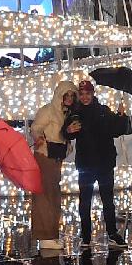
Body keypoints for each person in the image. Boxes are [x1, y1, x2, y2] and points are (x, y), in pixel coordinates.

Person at [67, 80, 127, 247]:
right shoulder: (75, 113)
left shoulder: (103, 111)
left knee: (107, 200)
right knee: (85, 201)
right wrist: (68, 131)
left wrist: (122, 116)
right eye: (82, 94)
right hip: (86, 164)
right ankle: (86, 235)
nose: (85, 97)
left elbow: (117, 130)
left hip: (104, 163)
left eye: (88, 93)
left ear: (93, 94)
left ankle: (112, 232)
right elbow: (68, 133)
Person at [31, 80, 76, 254]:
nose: (70, 98)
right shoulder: (48, 110)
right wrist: (39, 138)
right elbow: (35, 128)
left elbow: (63, 135)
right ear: (60, 95)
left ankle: (49, 234)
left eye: (73, 95)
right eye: (67, 94)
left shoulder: (67, 113)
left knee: (53, 194)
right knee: (45, 195)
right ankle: (45, 237)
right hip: (45, 155)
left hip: (57, 157)